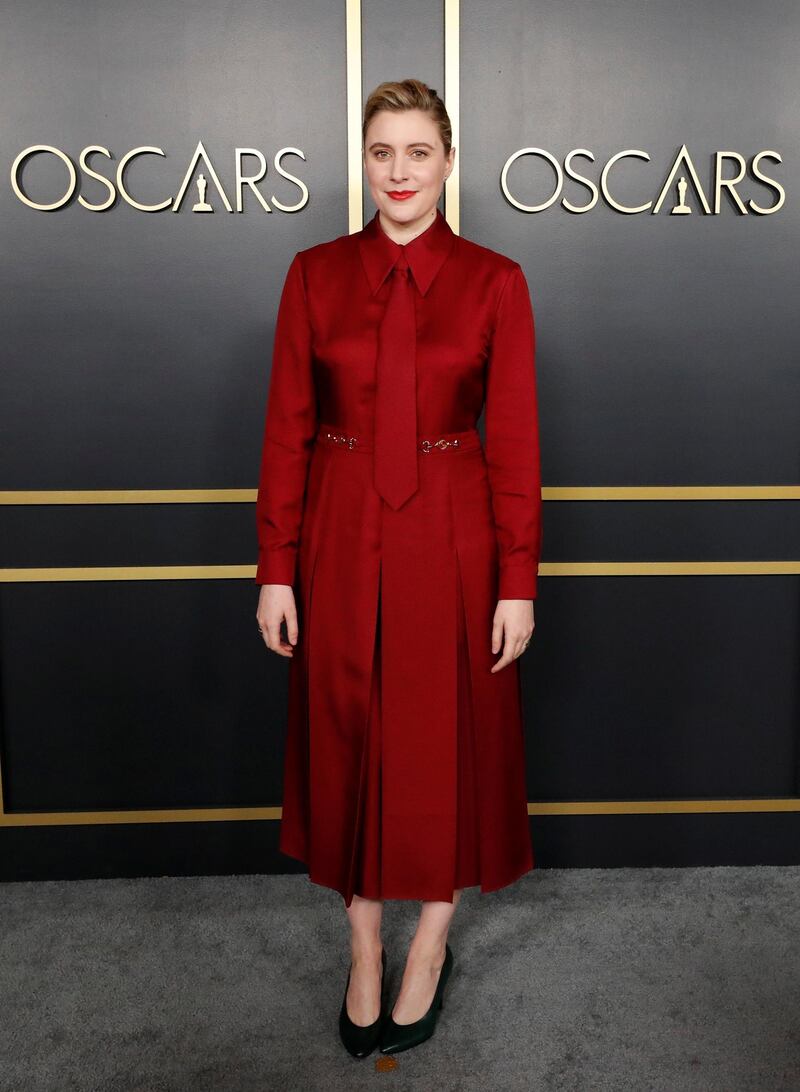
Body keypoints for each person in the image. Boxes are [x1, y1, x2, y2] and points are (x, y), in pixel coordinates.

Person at [254, 78, 542, 1057]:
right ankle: (364, 949)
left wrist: (516, 584)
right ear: (363, 160)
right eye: (382, 152)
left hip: (454, 529)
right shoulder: (313, 274)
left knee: (441, 745)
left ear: (448, 161)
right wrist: (275, 568)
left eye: (418, 152)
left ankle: (428, 945)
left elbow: (513, 446)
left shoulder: (495, 280)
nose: (399, 172)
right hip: (337, 526)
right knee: (348, 737)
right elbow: (284, 433)